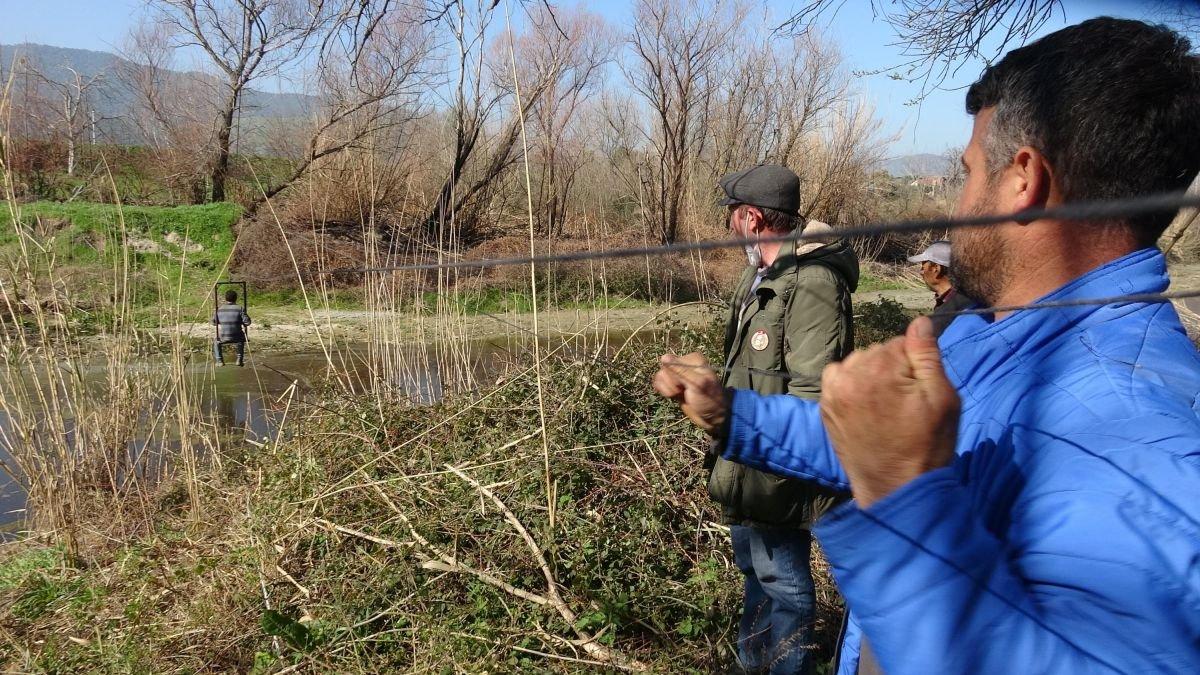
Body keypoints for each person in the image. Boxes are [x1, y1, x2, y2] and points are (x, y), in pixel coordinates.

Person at [653, 17, 1200, 674]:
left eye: (967, 174)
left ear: (1023, 180)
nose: (955, 207)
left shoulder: (1135, 437)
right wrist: (732, 414)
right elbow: (874, 443)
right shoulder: (990, 332)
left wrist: (900, 500)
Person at [714, 164, 857, 673]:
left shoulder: (814, 284)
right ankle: (754, 666)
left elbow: (813, 396)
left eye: (733, 214)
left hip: (776, 474)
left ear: (752, 218)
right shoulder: (762, 275)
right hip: (746, 463)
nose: (730, 224)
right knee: (757, 579)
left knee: (786, 592)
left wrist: (769, 461)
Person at [907, 240, 973, 337]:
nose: (921, 272)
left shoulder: (957, 306)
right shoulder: (969, 297)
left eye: (923, 267)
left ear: (936, 269)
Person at [213, 288, 251, 367]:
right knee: (241, 339)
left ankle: (219, 360)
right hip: (237, 336)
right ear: (236, 298)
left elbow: (214, 322)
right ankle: (239, 359)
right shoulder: (240, 308)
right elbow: (247, 322)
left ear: (226, 298)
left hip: (223, 337)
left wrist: (223, 321)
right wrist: (239, 321)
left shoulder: (219, 309)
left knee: (216, 342)